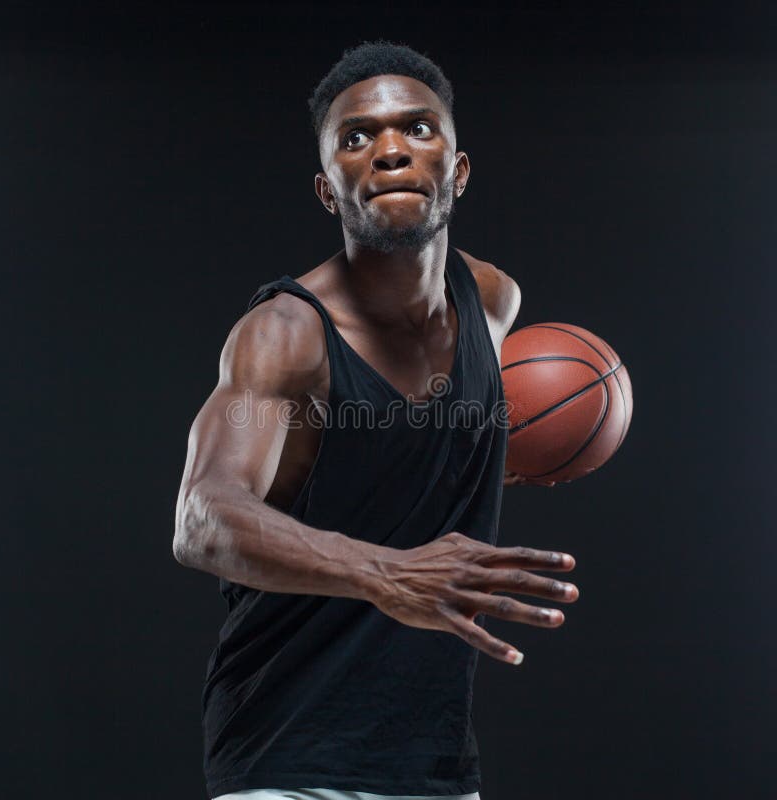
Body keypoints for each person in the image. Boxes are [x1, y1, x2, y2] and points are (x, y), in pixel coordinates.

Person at [173, 40, 579, 800]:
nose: (390, 150)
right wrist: (386, 574)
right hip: (286, 751)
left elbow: (406, 452)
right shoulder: (284, 337)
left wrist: (504, 452)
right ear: (330, 190)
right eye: (356, 138)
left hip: (434, 759)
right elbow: (203, 521)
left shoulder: (493, 304)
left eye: (419, 129)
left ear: (456, 173)